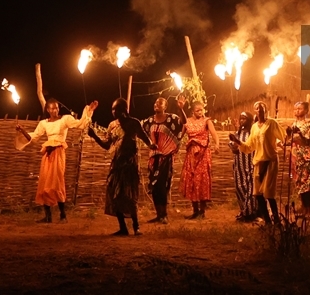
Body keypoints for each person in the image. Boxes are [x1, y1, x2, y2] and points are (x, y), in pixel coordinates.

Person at [16, 98, 97, 222]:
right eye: (53, 108)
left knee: (57, 182)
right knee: (45, 182)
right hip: (47, 154)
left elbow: (80, 124)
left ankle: (63, 214)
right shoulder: (44, 123)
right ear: (48, 110)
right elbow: (34, 137)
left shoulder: (65, 119)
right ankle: (48, 217)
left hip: (58, 152)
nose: (56, 110)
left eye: (57, 107)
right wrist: (22, 130)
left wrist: (88, 111)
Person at [87, 98, 153, 236]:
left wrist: (152, 146)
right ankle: (123, 227)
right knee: (114, 194)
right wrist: (94, 136)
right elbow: (107, 145)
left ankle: (136, 227)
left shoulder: (133, 123)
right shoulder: (112, 125)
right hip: (116, 164)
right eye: (112, 109)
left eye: (116, 109)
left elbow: (146, 138)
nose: (113, 112)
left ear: (124, 109)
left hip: (129, 164)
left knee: (129, 195)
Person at [228, 100, 285, 224]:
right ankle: (267, 221)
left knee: (269, 194)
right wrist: (237, 142)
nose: (260, 110)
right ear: (255, 111)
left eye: (262, 107)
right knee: (257, 193)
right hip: (258, 162)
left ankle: (276, 221)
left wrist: (287, 141)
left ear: (265, 109)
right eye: (257, 108)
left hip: (270, 161)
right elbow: (249, 147)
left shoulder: (272, 123)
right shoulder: (254, 127)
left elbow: (283, 137)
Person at [140, 95, 187, 224]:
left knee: (162, 184)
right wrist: (149, 144)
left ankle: (164, 214)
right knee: (154, 186)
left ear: (165, 107)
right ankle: (158, 214)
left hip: (166, 157)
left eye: (160, 103)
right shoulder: (149, 122)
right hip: (153, 157)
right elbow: (139, 130)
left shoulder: (172, 119)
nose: (157, 105)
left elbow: (184, 123)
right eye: (155, 103)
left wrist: (181, 109)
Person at [182, 101, 218, 219]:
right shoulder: (187, 122)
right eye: (197, 110)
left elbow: (214, 134)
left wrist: (217, 144)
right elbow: (179, 135)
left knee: (202, 179)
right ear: (192, 111)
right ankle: (195, 210)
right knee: (192, 179)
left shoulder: (207, 121)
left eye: (202, 110)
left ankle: (202, 211)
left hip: (203, 154)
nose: (200, 112)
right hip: (191, 154)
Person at [288, 100, 310, 216]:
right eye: (295, 109)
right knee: (299, 182)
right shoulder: (293, 124)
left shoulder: (309, 124)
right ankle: (303, 206)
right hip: (296, 157)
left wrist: (299, 134)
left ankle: (309, 208)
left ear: (306, 111)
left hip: (306, 157)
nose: (297, 111)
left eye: (299, 108)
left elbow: (308, 139)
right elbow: (290, 140)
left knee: (306, 183)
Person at [230, 111, 257, 221]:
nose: (241, 121)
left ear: (249, 120)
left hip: (251, 163)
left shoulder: (252, 133)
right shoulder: (238, 133)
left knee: (250, 188)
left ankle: (250, 213)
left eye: (244, 119)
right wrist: (234, 147)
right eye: (240, 118)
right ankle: (244, 210)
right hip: (239, 165)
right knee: (240, 187)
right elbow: (233, 147)